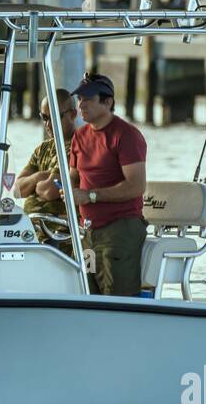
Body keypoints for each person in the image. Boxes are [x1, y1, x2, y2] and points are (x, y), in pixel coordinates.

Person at [37, 73, 147, 296]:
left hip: (119, 232)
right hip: (87, 234)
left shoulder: (127, 135)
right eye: (79, 99)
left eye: (88, 99)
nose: (81, 104)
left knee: (117, 300)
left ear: (108, 102)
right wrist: (55, 187)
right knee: (88, 293)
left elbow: (136, 187)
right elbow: (73, 177)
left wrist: (90, 196)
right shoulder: (80, 136)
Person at [15, 88, 76, 251]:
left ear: (72, 115)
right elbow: (17, 190)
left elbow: (50, 190)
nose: (48, 124)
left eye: (55, 117)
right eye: (44, 117)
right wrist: (40, 176)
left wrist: (34, 183)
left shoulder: (77, 147)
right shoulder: (42, 149)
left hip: (58, 236)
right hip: (30, 233)